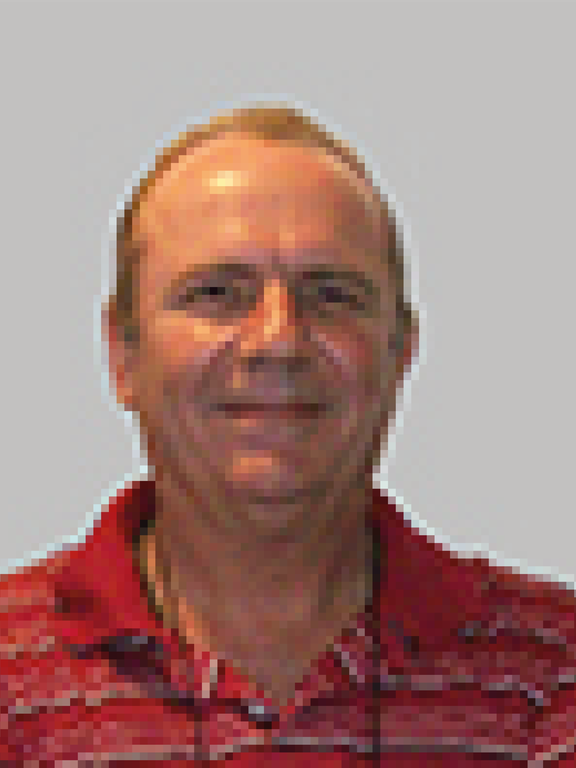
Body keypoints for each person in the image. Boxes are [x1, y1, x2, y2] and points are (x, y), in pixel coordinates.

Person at [1, 104, 575, 766]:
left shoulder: (551, 676)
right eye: (216, 293)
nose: (277, 340)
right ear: (122, 355)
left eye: (331, 295)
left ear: (400, 352)